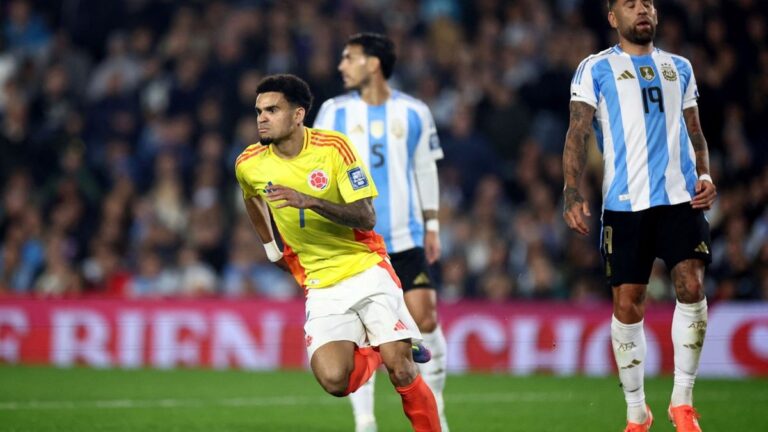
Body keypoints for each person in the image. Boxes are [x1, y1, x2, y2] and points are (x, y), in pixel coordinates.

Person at [235, 74, 441, 432]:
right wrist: (272, 249)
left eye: (272, 110)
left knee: (403, 368)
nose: (261, 118)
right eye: (258, 111)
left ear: (298, 115)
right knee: (334, 380)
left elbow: (366, 215)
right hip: (321, 282)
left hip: (365, 267)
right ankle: (378, 348)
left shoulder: (334, 148)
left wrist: (310, 200)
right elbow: (252, 199)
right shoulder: (249, 163)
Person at [562, 1, 717, 432]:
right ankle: (637, 412)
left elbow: (694, 130)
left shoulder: (680, 67)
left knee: (692, 284)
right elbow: (577, 130)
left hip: (680, 198)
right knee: (628, 305)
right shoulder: (594, 69)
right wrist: (572, 190)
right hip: (625, 204)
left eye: (647, 3)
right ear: (613, 18)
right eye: (630, 4)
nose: (641, 10)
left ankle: (682, 403)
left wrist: (704, 172)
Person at [313, 33, 449, 432]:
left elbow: (425, 169)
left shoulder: (414, 112)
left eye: (348, 57)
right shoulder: (333, 112)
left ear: (372, 64)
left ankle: (436, 409)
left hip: (404, 237)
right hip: (355, 245)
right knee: (361, 332)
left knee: (426, 317)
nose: (341, 66)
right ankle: (366, 422)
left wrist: (433, 225)